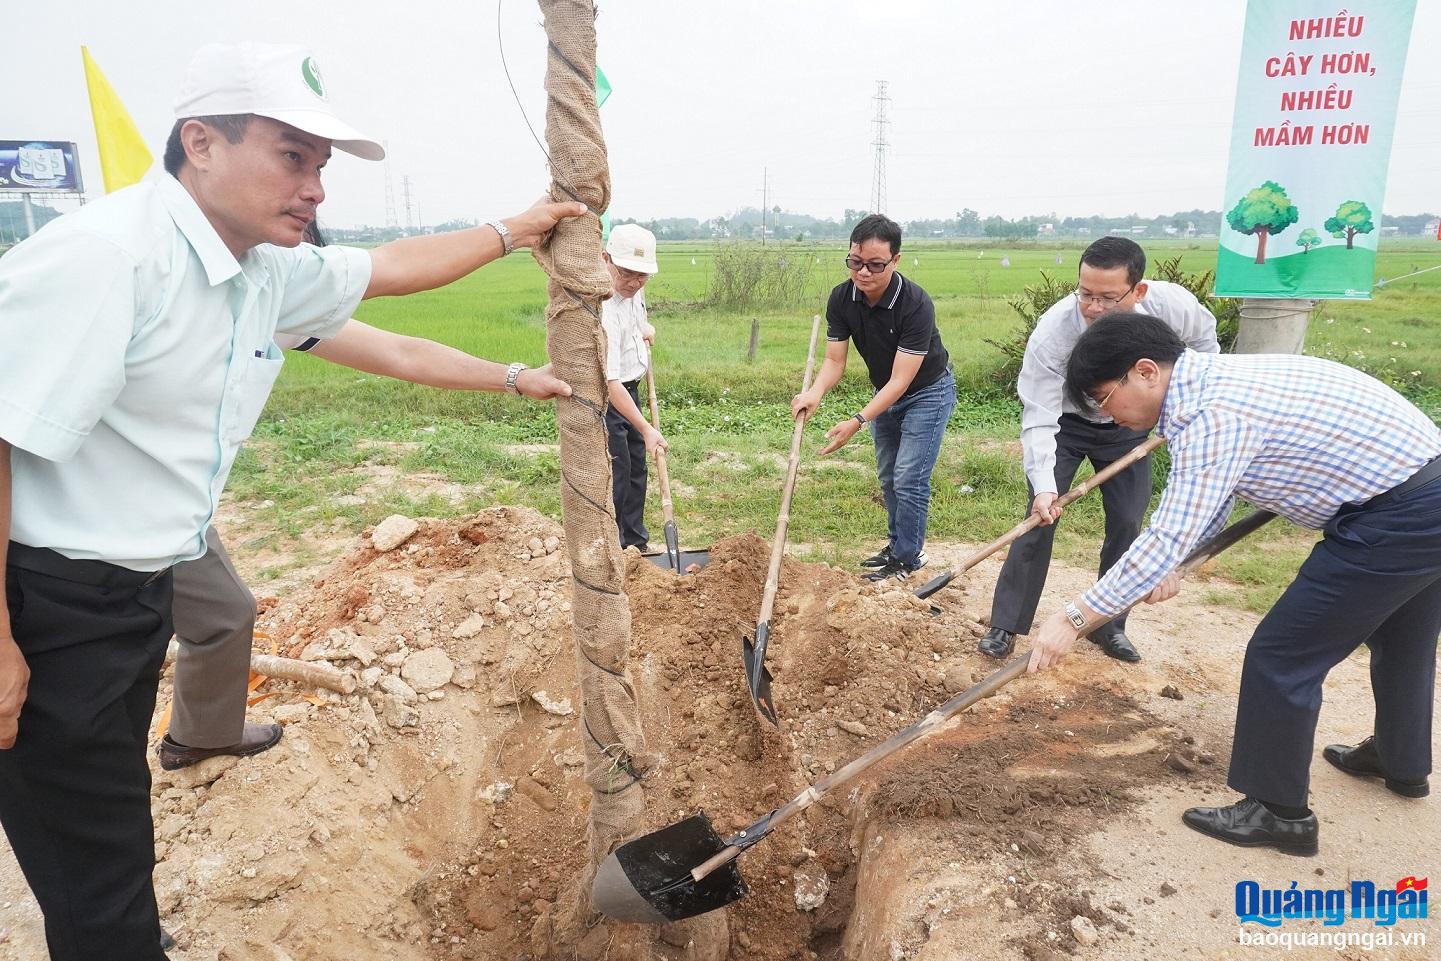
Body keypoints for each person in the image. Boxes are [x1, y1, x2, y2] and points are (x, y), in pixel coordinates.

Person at [0, 41, 584, 960]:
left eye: (320, 164)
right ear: (201, 142)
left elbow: (395, 279)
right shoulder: (111, 258)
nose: (314, 187)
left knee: (100, 819)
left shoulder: (257, 270)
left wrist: (518, 241)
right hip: (49, 595)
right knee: (92, 852)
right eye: (291, 156)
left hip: (137, 587)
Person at [159, 225, 572, 771]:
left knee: (225, 612)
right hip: (99, 511)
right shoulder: (160, 280)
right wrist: (515, 229)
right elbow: (394, 268)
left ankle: (200, 736)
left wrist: (516, 377)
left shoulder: (274, 301)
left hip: (178, 505)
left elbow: (401, 352)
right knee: (118, 648)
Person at [1027, 312, 1441, 856]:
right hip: (1425, 493)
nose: (1106, 414)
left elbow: (1167, 533)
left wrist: (1074, 618)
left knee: (1281, 655)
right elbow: (1211, 499)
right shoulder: (1217, 383)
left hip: (1398, 517)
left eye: (1105, 399)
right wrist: (1176, 563)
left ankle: (1279, 812)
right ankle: (1400, 760)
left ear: (1146, 371)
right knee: (1404, 638)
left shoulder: (1212, 414)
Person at [978, 237, 1219, 662]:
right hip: (1066, 425)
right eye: (1085, 293)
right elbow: (1039, 414)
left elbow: (1204, 350)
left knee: (1127, 521)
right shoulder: (1055, 332)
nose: (1093, 307)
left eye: (1107, 298)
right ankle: (1006, 624)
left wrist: (1184, 407)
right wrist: (1044, 485)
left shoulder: (1172, 307)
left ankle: (1108, 626)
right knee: (1039, 518)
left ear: (1138, 290)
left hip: (1130, 426)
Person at [792, 214, 956, 582]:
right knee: (888, 475)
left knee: (909, 476)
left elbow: (901, 380)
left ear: (895, 260)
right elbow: (835, 361)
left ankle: (908, 558)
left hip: (927, 393)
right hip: (885, 393)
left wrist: (857, 421)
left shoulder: (915, 304)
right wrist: (814, 392)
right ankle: (898, 545)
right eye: (855, 262)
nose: (863, 272)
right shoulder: (842, 297)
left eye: (875, 264)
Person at [600, 222, 665, 551]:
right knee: (619, 470)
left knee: (638, 465)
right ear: (606, 259)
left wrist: (645, 329)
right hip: (609, 399)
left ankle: (635, 543)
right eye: (626, 273)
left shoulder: (635, 291)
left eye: (642, 276)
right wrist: (646, 427)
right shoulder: (603, 310)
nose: (634, 282)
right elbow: (610, 383)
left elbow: (638, 321)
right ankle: (613, 545)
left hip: (632, 390)